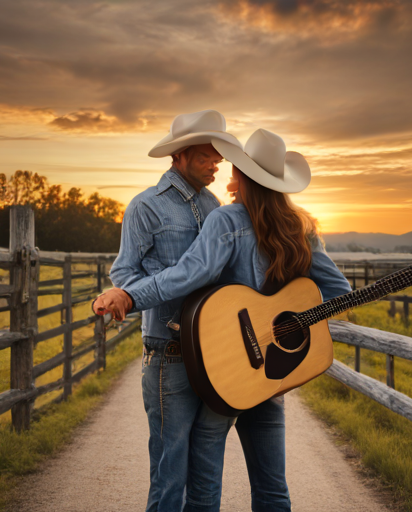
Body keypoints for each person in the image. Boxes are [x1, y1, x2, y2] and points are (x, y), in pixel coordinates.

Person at [95, 128, 352, 512]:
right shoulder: (300, 228)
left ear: (244, 177)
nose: (225, 172)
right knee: (273, 489)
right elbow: (339, 294)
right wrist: (289, 332)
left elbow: (188, 275)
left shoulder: (224, 218)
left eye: (233, 167)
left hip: (229, 368)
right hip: (272, 369)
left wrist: (131, 295)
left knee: (202, 481)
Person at [107, 109, 244, 512]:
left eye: (217, 156)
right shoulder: (146, 207)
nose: (216, 163)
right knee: (169, 475)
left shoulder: (215, 204)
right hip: (169, 353)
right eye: (206, 155)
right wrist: (169, 285)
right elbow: (124, 273)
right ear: (180, 155)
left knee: (207, 473)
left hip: (215, 353)